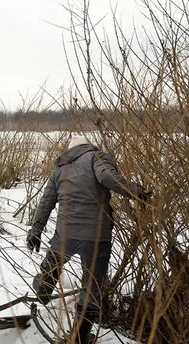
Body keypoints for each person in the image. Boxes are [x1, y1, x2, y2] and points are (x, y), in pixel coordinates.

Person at [27, 135, 151, 344]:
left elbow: (46, 201)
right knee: (92, 286)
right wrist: (138, 192)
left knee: (52, 263)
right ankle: (79, 336)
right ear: (88, 146)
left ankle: (45, 285)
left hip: (65, 233)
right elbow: (107, 178)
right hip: (96, 236)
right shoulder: (96, 157)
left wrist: (35, 231)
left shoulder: (60, 167)